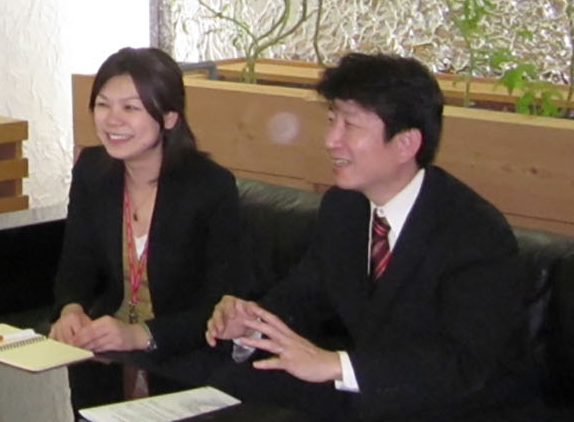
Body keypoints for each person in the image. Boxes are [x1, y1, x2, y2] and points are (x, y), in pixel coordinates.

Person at [204, 53, 533, 422]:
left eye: (350, 125)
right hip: (375, 395)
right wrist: (250, 323)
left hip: (459, 406)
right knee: (225, 388)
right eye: (332, 120)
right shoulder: (344, 208)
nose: (331, 140)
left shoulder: (474, 232)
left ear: (406, 144)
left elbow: (462, 363)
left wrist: (336, 365)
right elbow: (304, 296)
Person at [50, 47, 245, 382]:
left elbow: (221, 304)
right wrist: (71, 309)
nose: (113, 120)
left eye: (130, 108)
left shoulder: (210, 187)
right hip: (109, 350)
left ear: (169, 117)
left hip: (181, 354)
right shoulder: (92, 171)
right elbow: (76, 263)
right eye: (103, 105)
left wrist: (142, 334)